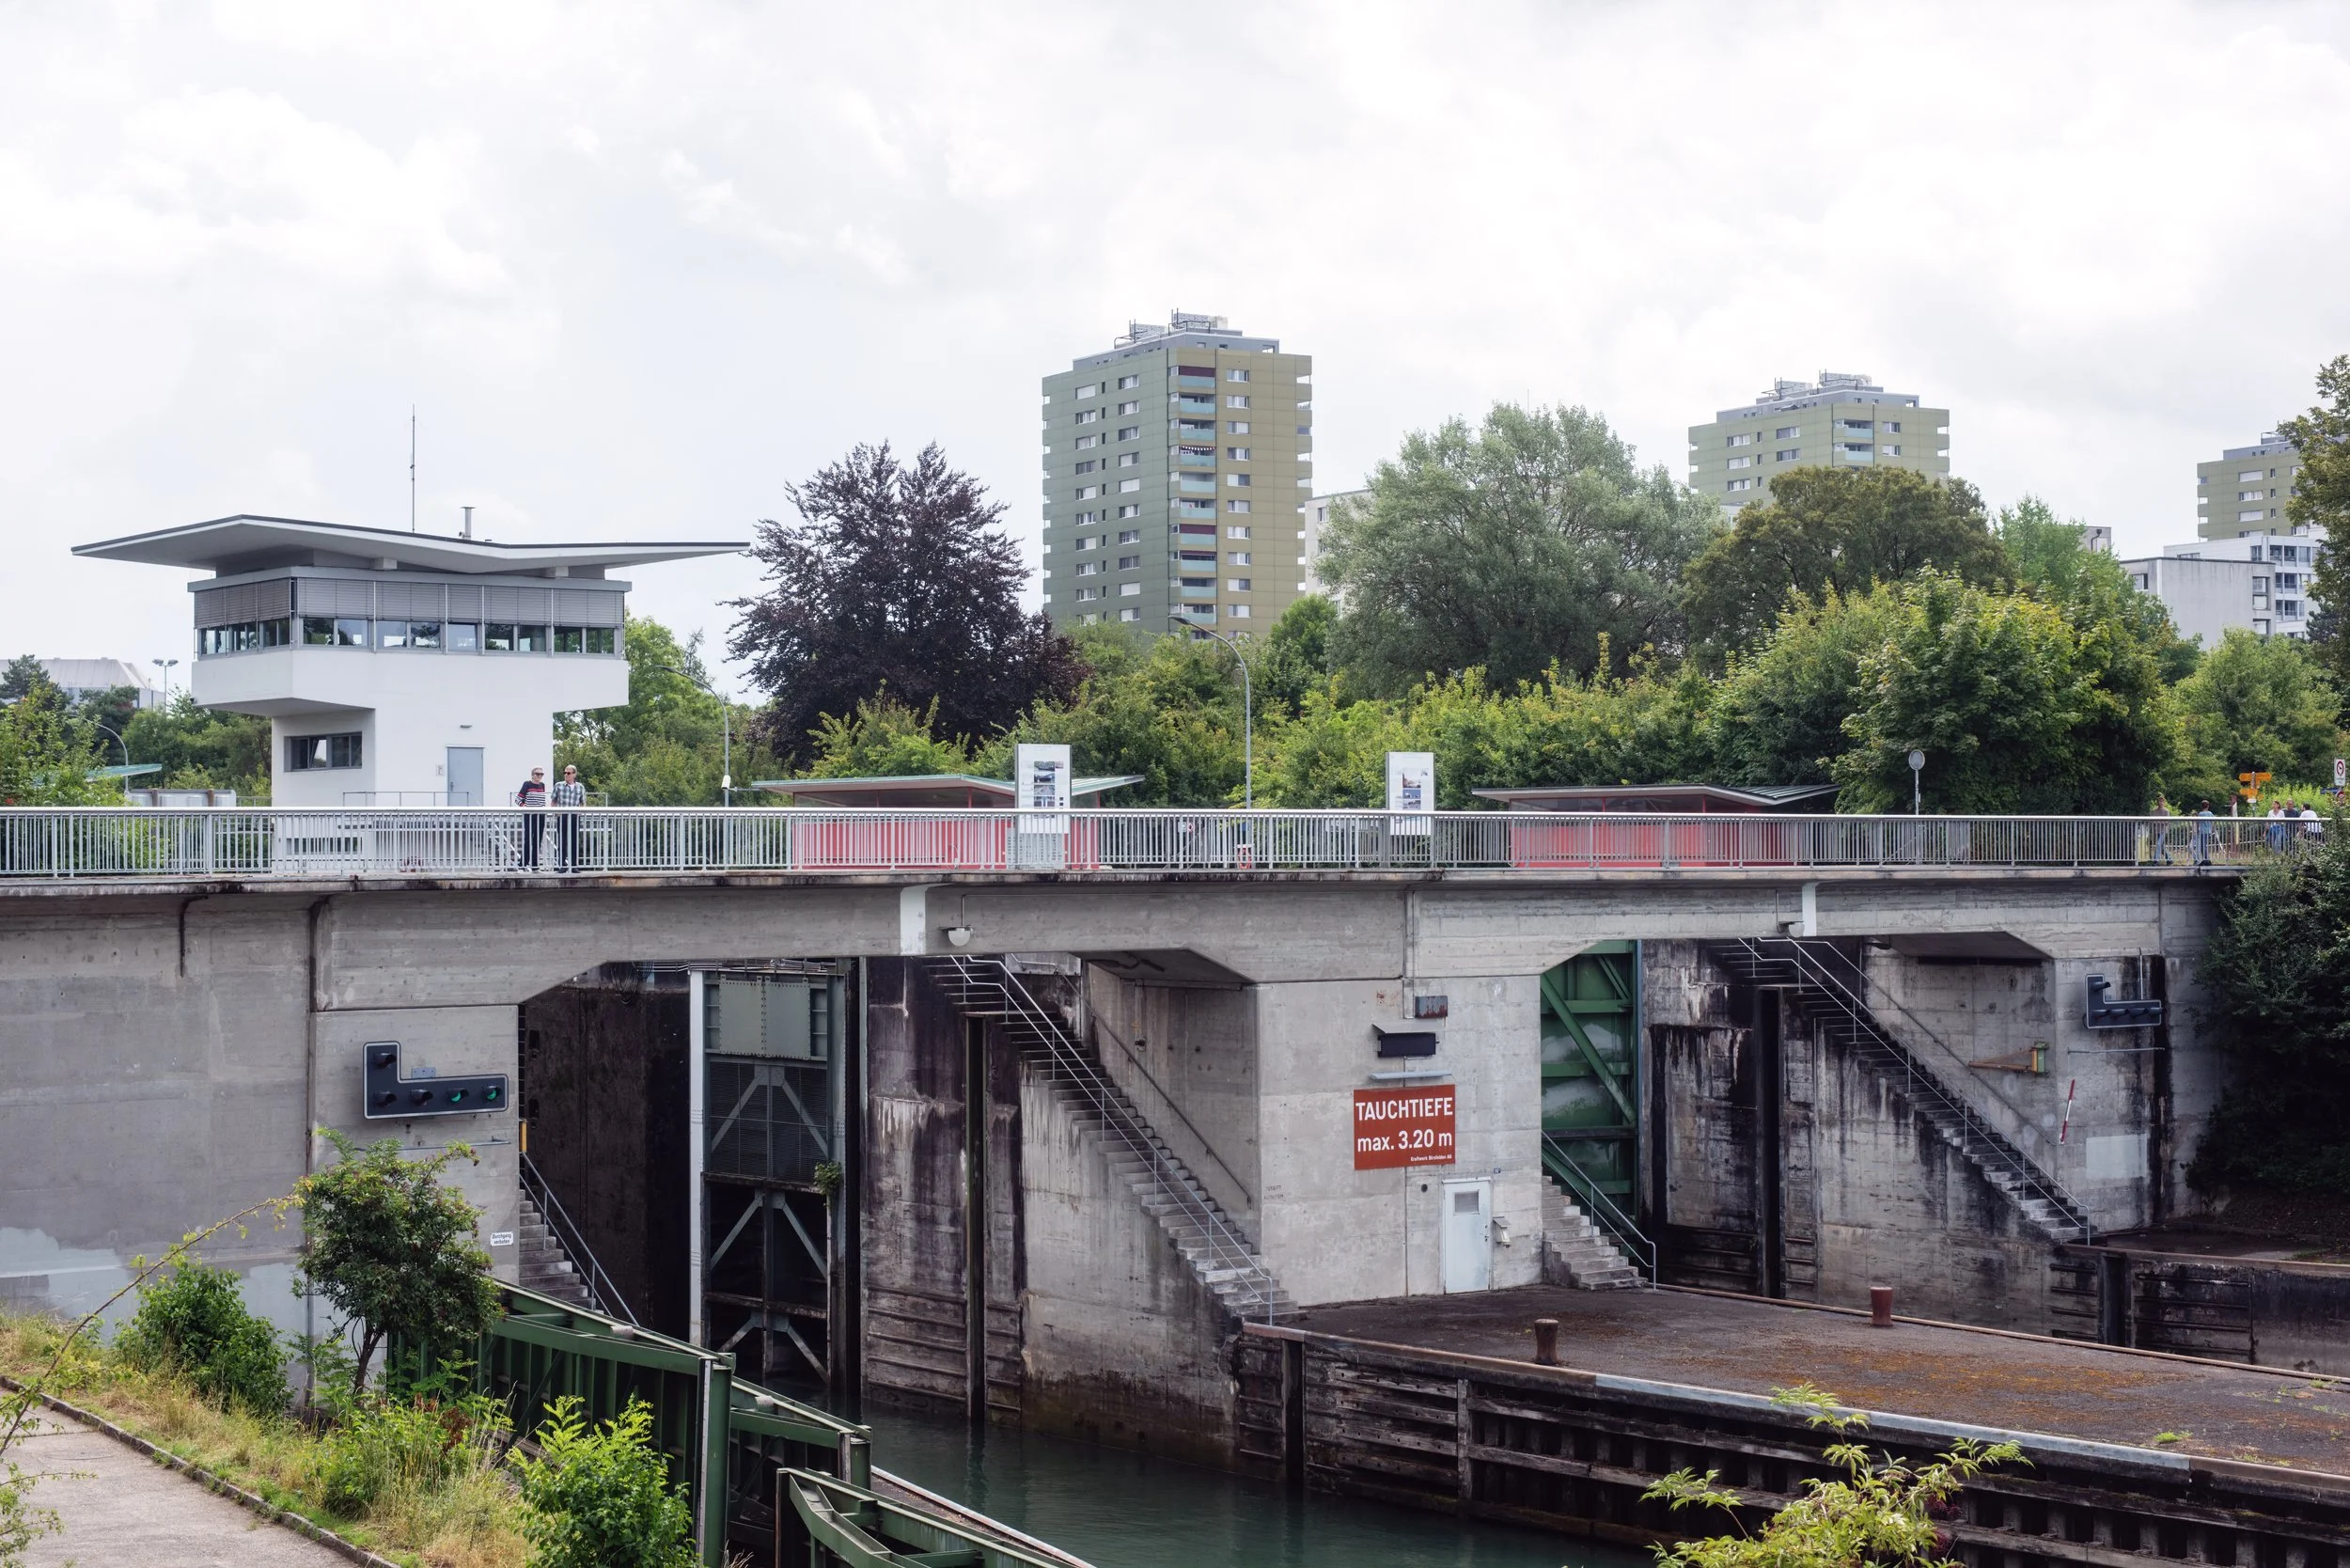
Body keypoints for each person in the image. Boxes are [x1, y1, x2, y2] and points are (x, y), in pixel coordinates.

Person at [552, 763, 587, 872]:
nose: (566, 775)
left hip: (575, 816)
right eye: (565, 772)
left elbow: (583, 802)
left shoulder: (580, 787)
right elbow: (553, 801)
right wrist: (555, 813)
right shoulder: (559, 785)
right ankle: (562, 865)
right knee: (562, 841)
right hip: (562, 816)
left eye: (568, 773)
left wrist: (580, 813)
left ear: (574, 774)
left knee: (574, 841)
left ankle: (574, 865)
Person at [514, 766, 549, 870]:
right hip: (530, 815)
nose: (539, 776)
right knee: (528, 839)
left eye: (541, 774)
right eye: (537, 774)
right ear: (532, 775)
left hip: (541, 815)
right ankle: (523, 863)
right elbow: (518, 799)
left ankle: (534, 864)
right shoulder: (527, 784)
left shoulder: (542, 785)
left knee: (537, 840)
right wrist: (524, 807)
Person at [2191, 800, 2216, 867]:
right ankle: (2206, 859)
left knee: (2202, 846)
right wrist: (2212, 829)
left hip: (2202, 832)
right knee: (2204, 846)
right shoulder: (2210, 813)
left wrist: (2197, 830)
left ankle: (2207, 860)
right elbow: (2213, 821)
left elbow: (2198, 823)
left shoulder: (2200, 814)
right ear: (2208, 806)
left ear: (2201, 806)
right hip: (2208, 831)